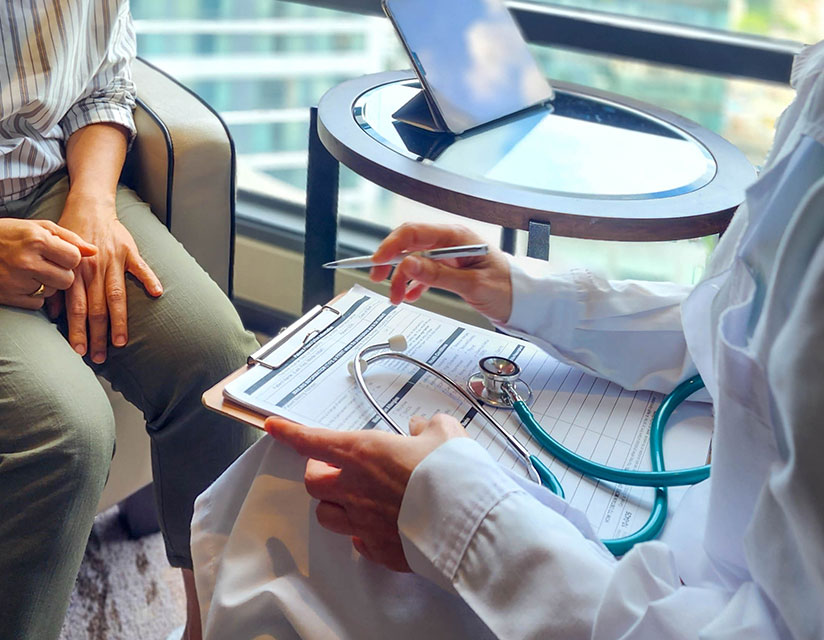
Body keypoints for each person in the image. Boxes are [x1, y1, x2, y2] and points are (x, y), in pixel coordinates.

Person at [190, 40, 824, 639]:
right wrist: (527, 291)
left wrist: (454, 517)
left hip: (650, 600)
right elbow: (741, 328)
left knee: (295, 492)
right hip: (690, 533)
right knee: (313, 466)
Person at [0, 2, 256, 639]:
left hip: (53, 188)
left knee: (213, 362)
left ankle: (209, 628)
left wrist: (93, 201)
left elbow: (102, 83)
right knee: (59, 432)